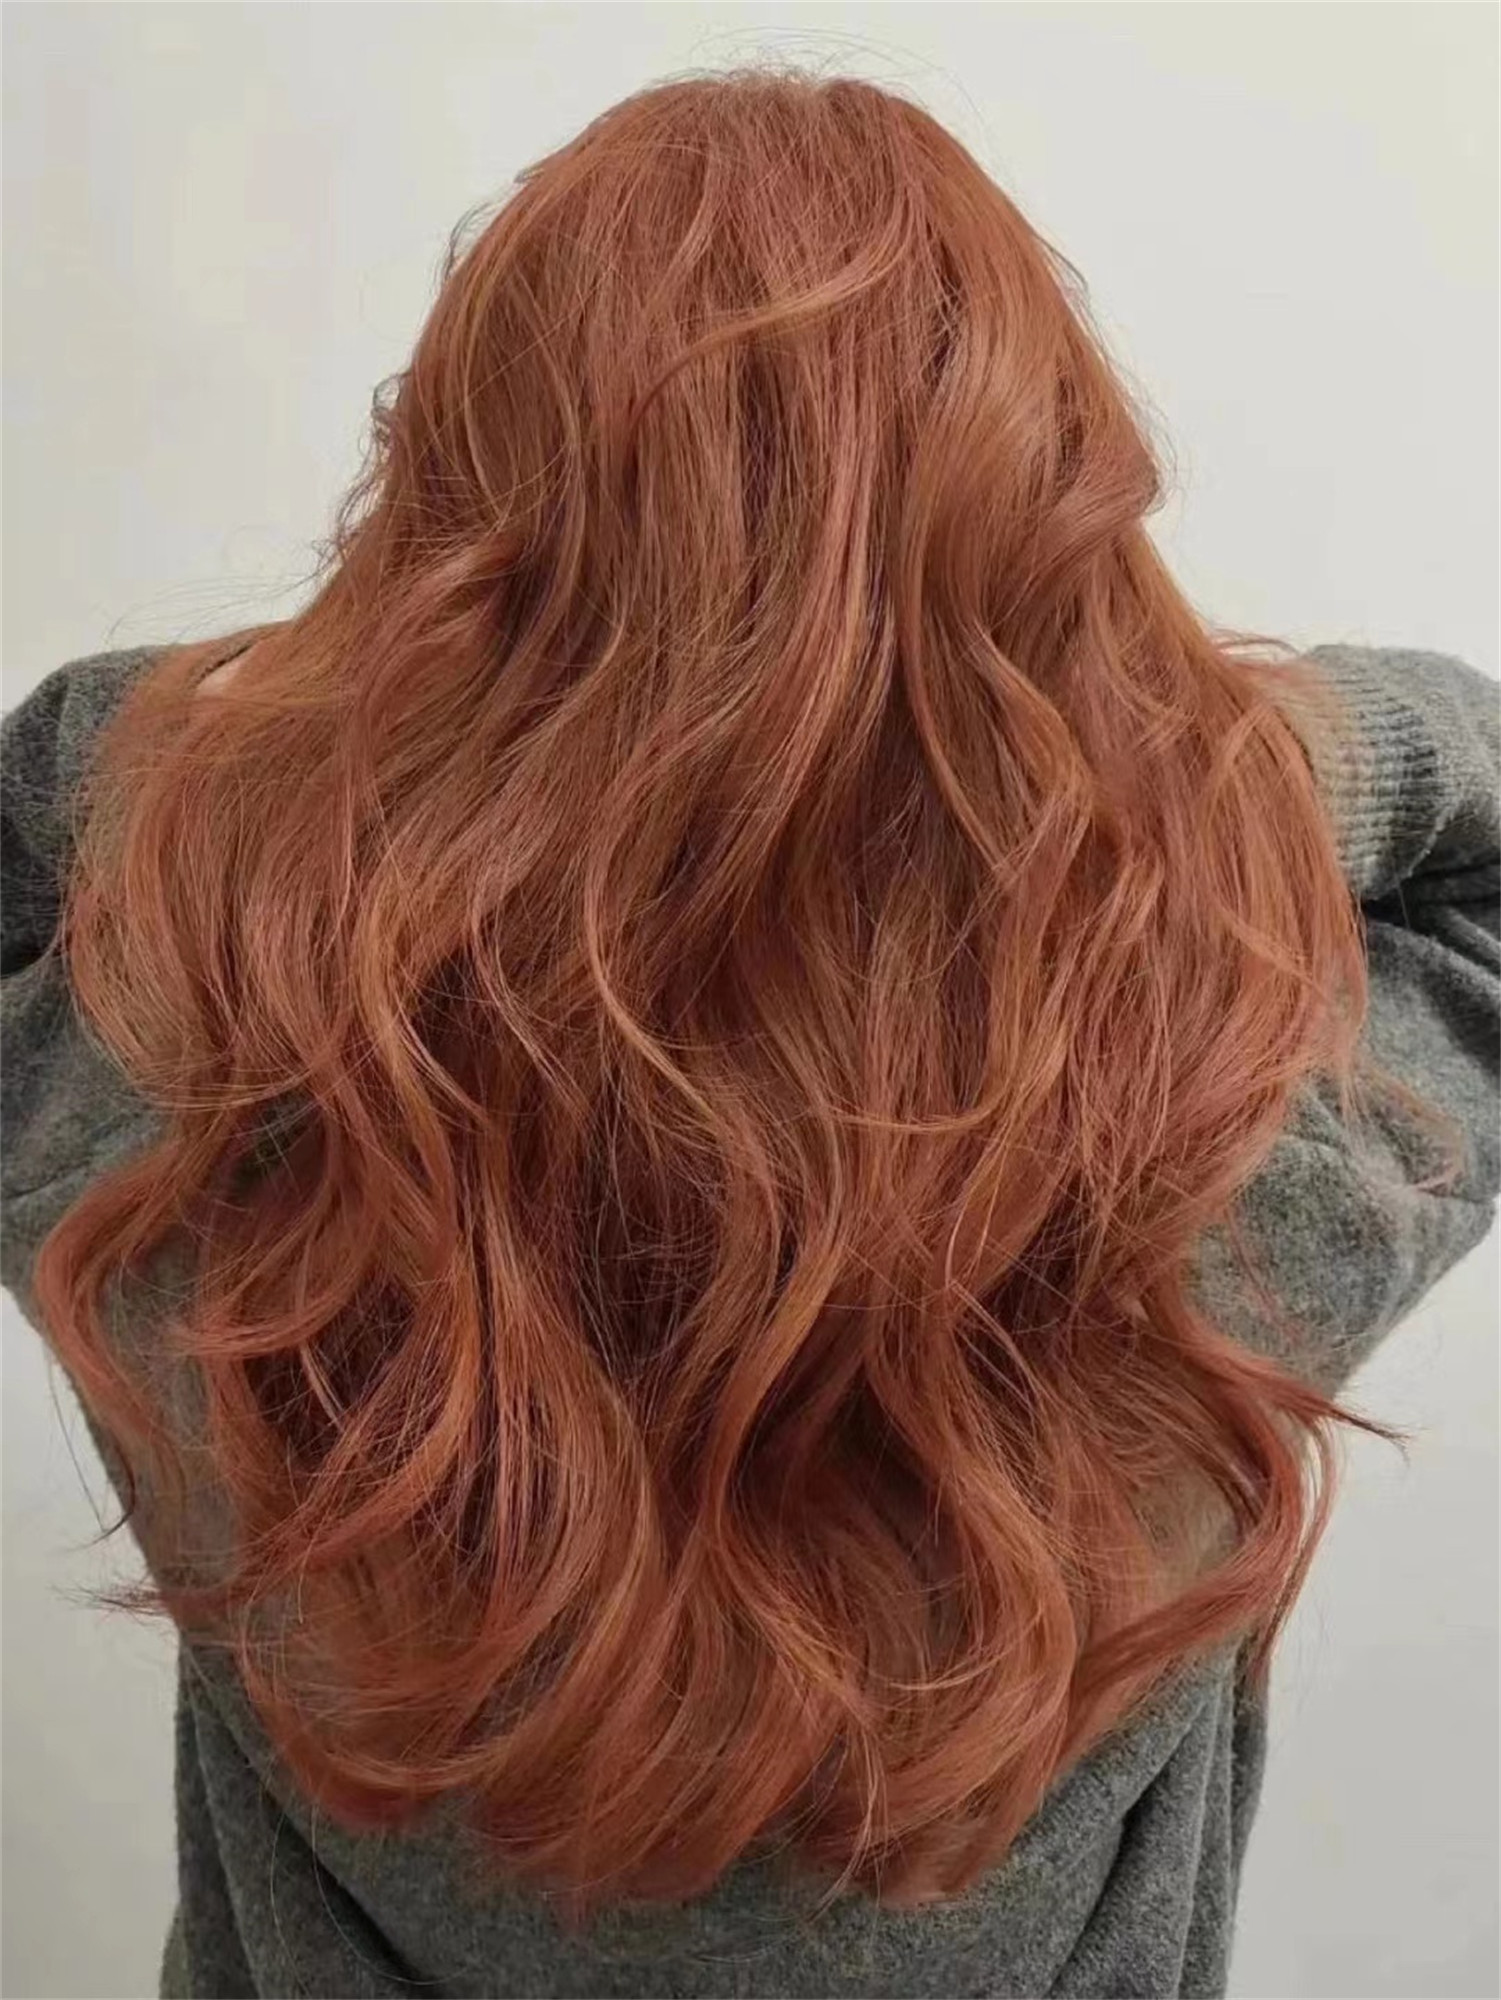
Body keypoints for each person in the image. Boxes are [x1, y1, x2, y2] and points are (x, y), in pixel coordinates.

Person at [2, 69, 1496, 2000]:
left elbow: (50, 806)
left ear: (448, 527)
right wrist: (1164, 772)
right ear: (1050, 533)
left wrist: (354, 748)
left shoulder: (174, 1149)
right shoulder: (1235, 1174)